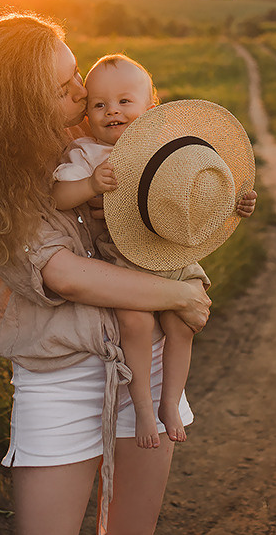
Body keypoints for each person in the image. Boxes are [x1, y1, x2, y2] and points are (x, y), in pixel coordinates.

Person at [0, 12, 214, 535]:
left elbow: (166, 202)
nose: (82, 90)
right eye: (62, 86)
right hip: (61, 379)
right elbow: (63, 275)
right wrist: (179, 295)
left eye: (76, 73)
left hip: (147, 361)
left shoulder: (96, 135)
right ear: (19, 105)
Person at [52, 54, 257, 449]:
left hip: (173, 253)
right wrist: (90, 185)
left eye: (124, 101)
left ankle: (170, 402)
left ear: (150, 109)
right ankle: (143, 407)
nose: (112, 110)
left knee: (183, 324)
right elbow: (60, 196)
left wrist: (235, 203)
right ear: (87, 116)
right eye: (99, 104)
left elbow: (200, 188)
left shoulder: (166, 146)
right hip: (124, 261)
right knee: (137, 324)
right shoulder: (87, 154)